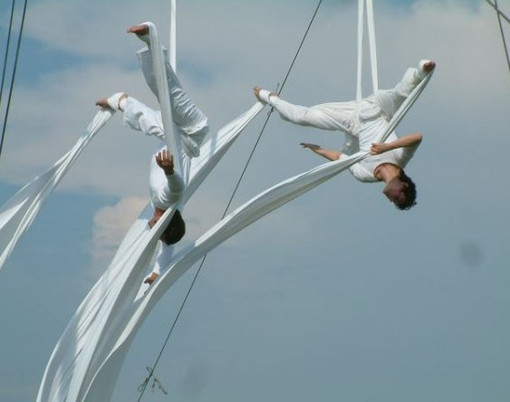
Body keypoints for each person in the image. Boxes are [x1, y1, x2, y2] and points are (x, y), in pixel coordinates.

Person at [95, 23, 209, 284]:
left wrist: (158, 272)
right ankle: (152, 41)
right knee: (168, 94)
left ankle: (121, 101)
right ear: (163, 221)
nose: (151, 228)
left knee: (152, 122)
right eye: (157, 229)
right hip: (193, 131)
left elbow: (167, 249)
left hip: (172, 137)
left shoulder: (168, 214)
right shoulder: (169, 200)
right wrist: (169, 171)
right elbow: (177, 187)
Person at [254, 59, 435, 210]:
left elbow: (341, 158)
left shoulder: (365, 175)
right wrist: (386, 147)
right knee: (400, 96)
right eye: (396, 199)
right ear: (403, 186)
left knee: (300, 117)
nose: (390, 200)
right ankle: (422, 70)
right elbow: (417, 138)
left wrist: (318, 150)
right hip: (379, 109)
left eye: (393, 202)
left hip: (352, 121)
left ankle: (269, 97)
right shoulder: (399, 159)